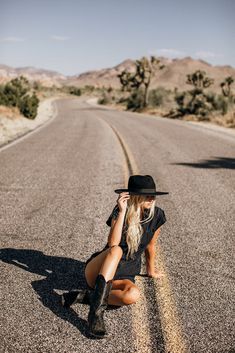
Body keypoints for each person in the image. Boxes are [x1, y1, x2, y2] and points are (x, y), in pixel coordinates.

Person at [61, 175, 168, 338]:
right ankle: (95, 316)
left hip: (125, 274)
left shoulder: (157, 216)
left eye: (153, 194)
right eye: (147, 195)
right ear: (135, 196)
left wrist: (151, 271)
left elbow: (151, 245)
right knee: (117, 250)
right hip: (99, 270)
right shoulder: (120, 210)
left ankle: (87, 297)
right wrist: (123, 211)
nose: (152, 198)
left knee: (132, 295)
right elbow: (112, 243)